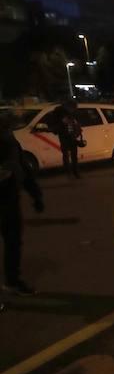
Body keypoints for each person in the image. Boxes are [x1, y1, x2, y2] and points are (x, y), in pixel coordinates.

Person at [0, 114, 44, 295]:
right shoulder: (8, 143)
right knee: (12, 242)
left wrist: (36, 195)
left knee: (13, 242)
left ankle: (12, 281)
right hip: (6, 199)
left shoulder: (11, 143)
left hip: (9, 199)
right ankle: (12, 281)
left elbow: (22, 169)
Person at [55, 100, 84, 178]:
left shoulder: (72, 114)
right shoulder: (60, 113)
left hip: (71, 136)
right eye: (73, 108)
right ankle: (70, 172)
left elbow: (76, 124)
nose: (74, 109)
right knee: (67, 155)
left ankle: (73, 172)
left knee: (72, 155)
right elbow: (63, 123)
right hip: (65, 136)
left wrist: (77, 130)